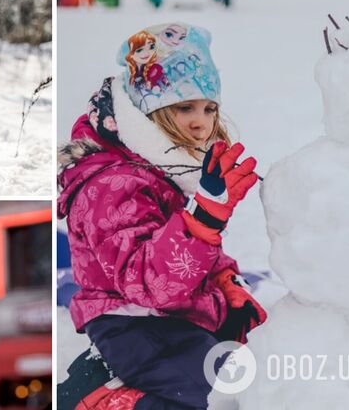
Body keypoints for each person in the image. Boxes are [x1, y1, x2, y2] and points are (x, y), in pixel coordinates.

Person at [57, 22, 267, 409]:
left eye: (209, 108)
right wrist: (204, 219)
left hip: (173, 312)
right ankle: (105, 400)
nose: (200, 121)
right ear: (148, 109)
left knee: (252, 360)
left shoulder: (163, 168)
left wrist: (223, 277)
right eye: (185, 106)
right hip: (132, 322)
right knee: (212, 393)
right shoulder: (112, 183)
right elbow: (145, 282)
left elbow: (179, 245)